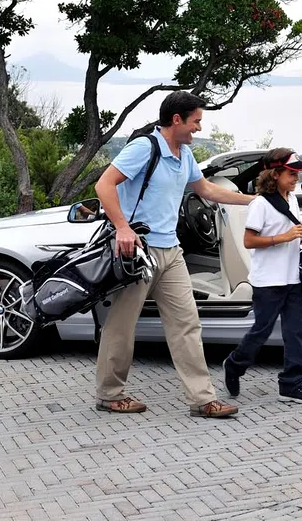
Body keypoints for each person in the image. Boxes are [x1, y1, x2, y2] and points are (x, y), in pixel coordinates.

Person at [93, 91, 256, 418]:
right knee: (121, 326)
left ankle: (202, 400)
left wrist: (254, 201)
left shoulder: (184, 154)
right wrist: (123, 228)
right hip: (138, 252)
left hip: (171, 252)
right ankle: (110, 395)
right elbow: (104, 185)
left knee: (187, 324)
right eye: (196, 121)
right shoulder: (144, 148)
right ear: (177, 119)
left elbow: (206, 189)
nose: (199, 127)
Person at [222, 148, 302, 404]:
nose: (296, 178)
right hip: (268, 282)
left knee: (295, 332)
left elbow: (293, 228)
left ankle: (291, 384)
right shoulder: (260, 204)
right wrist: (283, 238)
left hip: (291, 278)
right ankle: (234, 364)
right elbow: (249, 240)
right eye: (291, 173)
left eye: (297, 173)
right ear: (275, 174)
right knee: (261, 332)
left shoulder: (292, 199)